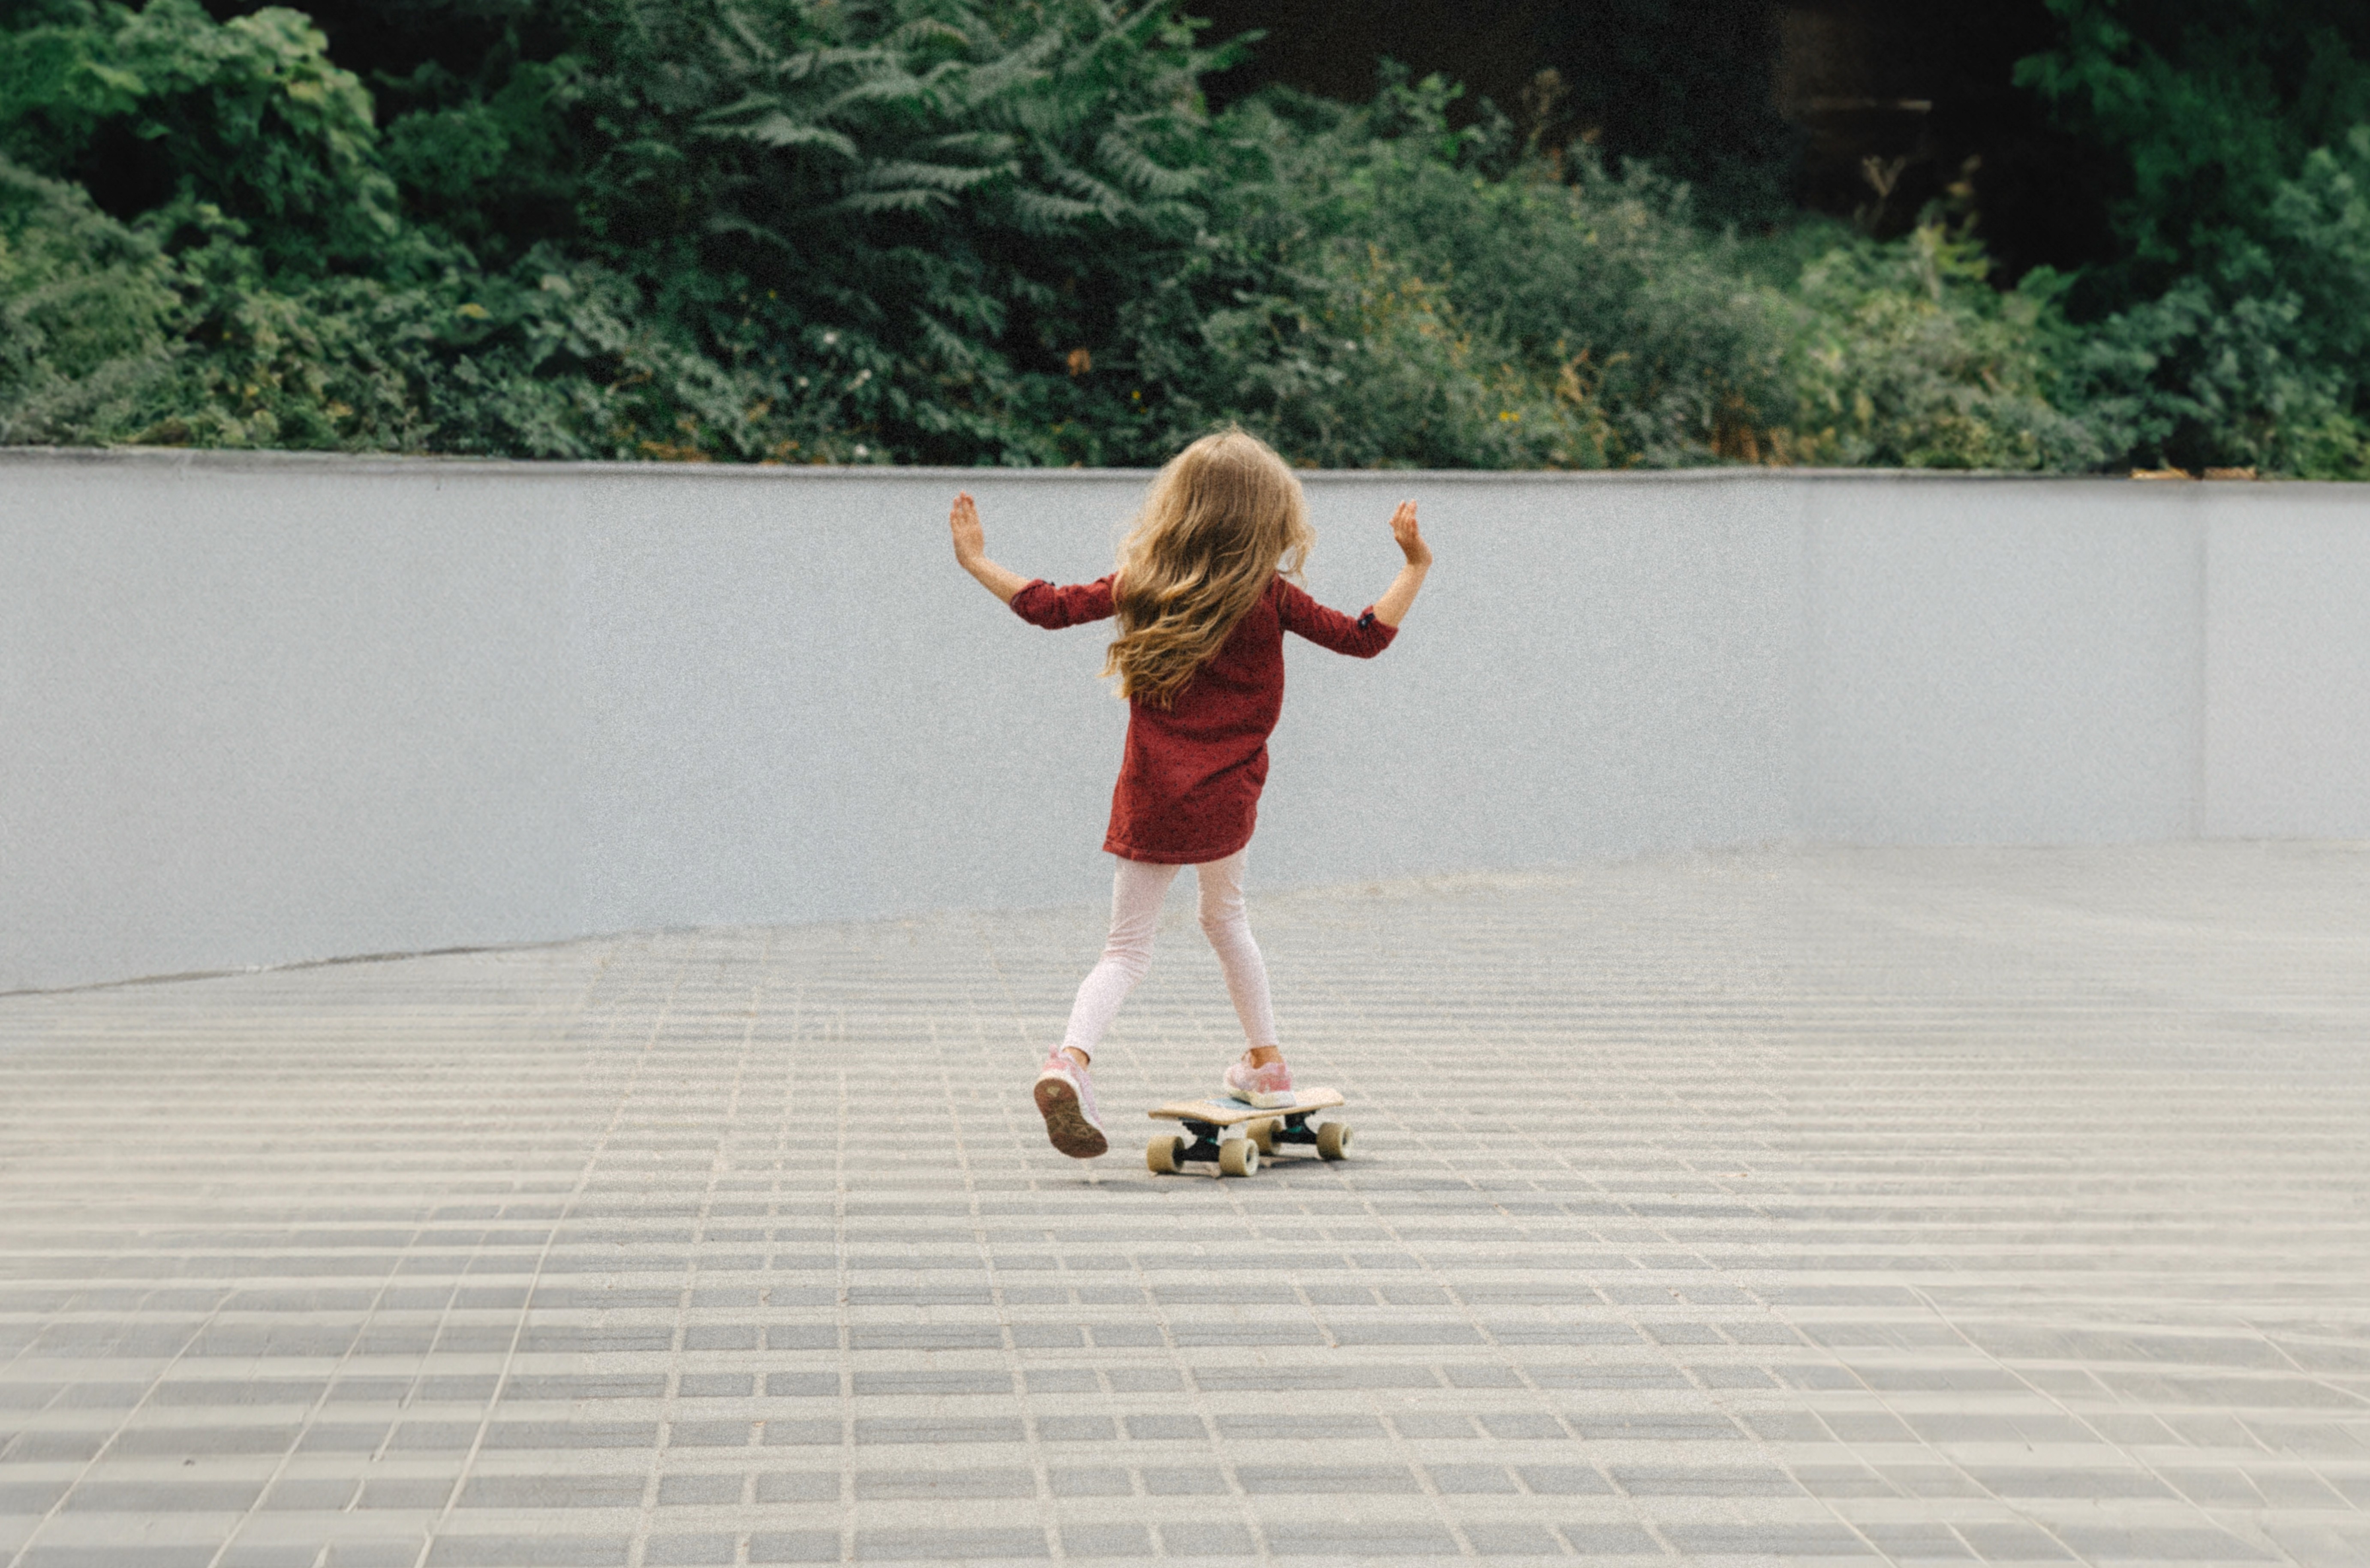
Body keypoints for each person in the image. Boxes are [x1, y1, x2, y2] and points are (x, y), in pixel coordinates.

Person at [950, 427, 1432, 1159]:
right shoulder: (1269, 596)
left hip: (1151, 800)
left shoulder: (1146, 585)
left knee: (1125, 950)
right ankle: (1267, 1064)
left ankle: (1069, 1064)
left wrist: (978, 560)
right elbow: (1362, 636)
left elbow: (1048, 606)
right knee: (1224, 916)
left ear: (1180, 511)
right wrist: (1416, 564)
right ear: (1269, 518)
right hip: (1227, 801)